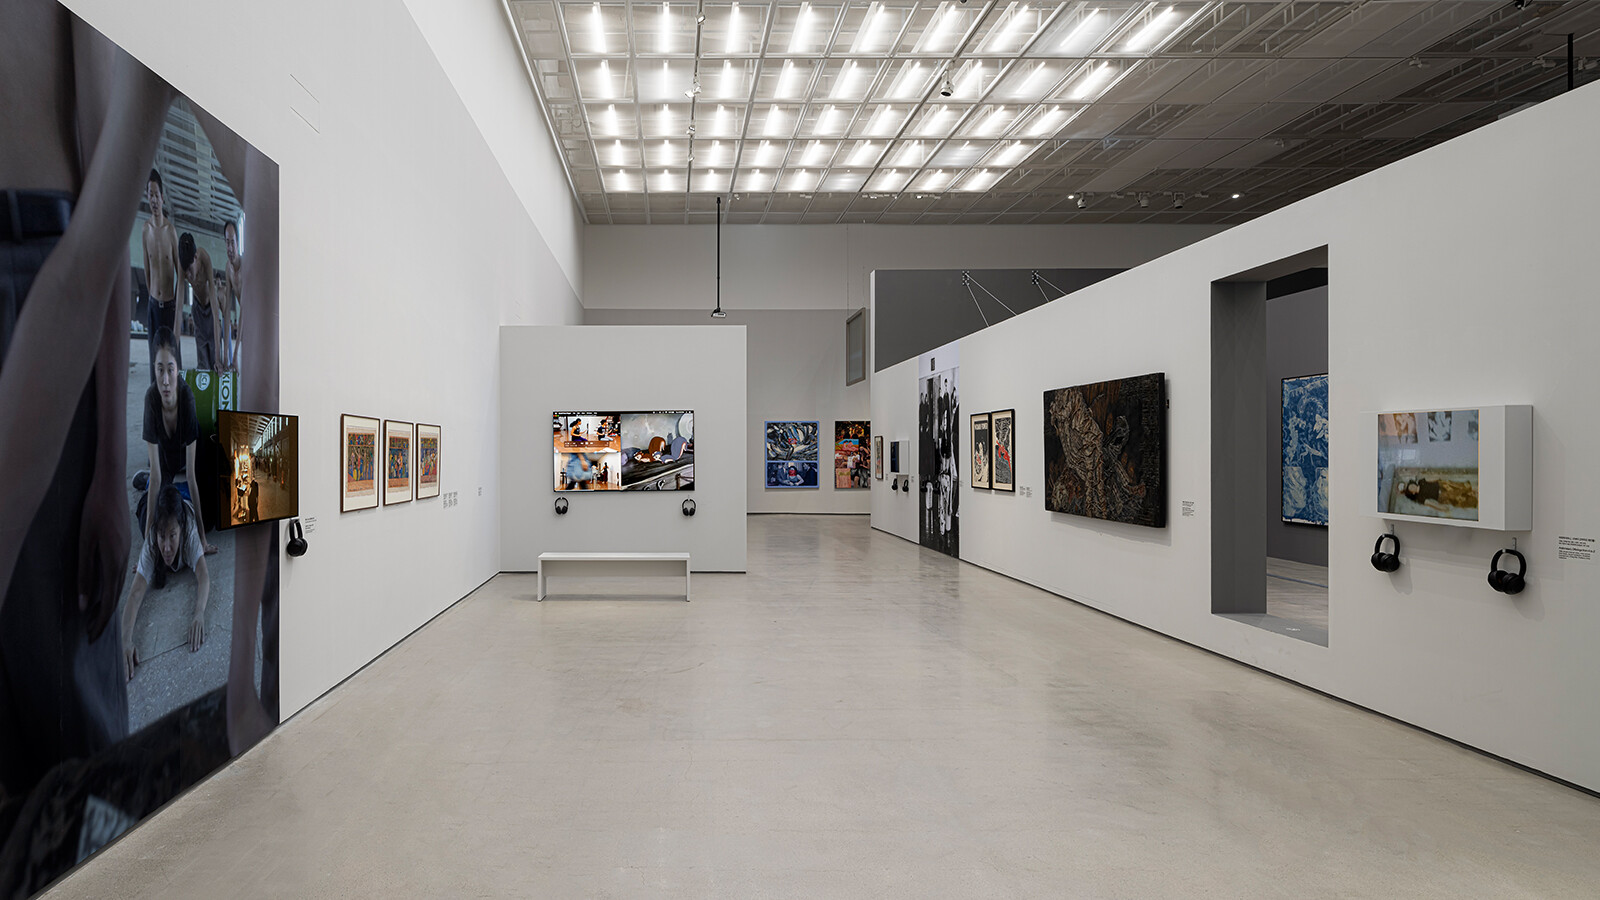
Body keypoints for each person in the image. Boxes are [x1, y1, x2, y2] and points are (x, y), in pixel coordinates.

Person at [0, 0, 174, 802]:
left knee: (67, 694)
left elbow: (96, 243)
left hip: (40, 254)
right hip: (53, 265)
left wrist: (109, 473)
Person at [136, 327, 216, 554]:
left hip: (193, 459)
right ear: (153, 368)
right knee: (154, 523)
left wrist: (202, 541)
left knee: (209, 521)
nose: (165, 381)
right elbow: (157, 475)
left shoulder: (186, 397)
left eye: (170, 370)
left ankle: (174, 493)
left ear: (177, 368)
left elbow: (191, 476)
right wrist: (147, 549)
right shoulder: (151, 399)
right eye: (159, 370)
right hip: (166, 462)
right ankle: (145, 483)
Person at [121, 485, 211, 679]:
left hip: (185, 498)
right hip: (151, 504)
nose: (167, 547)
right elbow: (135, 594)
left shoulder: (189, 534)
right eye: (162, 537)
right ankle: (147, 483)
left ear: (181, 530)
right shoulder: (152, 542)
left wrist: (199, 613)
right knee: (144, 511)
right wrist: (125, 640)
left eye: (172, 536)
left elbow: (203, 576)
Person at [141, 168, 181, 378]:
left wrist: (177, 311)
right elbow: (147, 271)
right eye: (151, 195)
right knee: (154, 365)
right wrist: (152, 299)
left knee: (172, 362)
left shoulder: (171, 231)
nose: (154, 200)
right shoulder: (145, 230)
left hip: (170, 308)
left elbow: (180, 275)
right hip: (153, 308)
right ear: (147, 197)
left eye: (157, 195)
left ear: (163, 198)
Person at [178, 232, 220, 371]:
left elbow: (215, 310)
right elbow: (178, 307)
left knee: (214, 361)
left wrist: (218, 357)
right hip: (197, 307)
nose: (189, 276)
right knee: (203, 365)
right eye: (186, 273)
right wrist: (174, 352)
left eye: (190, 270)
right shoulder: (183, 264)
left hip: (210, 307)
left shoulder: (205, 259)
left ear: (195, 258)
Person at [221, 220, 242, 372]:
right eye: (227, 242)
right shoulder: (228, 268)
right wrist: (225, 354)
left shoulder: (246, 266)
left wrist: (234, 355)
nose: (230, 248)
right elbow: (227, 310)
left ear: (238, 243)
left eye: (232, 243)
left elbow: (244, 312)